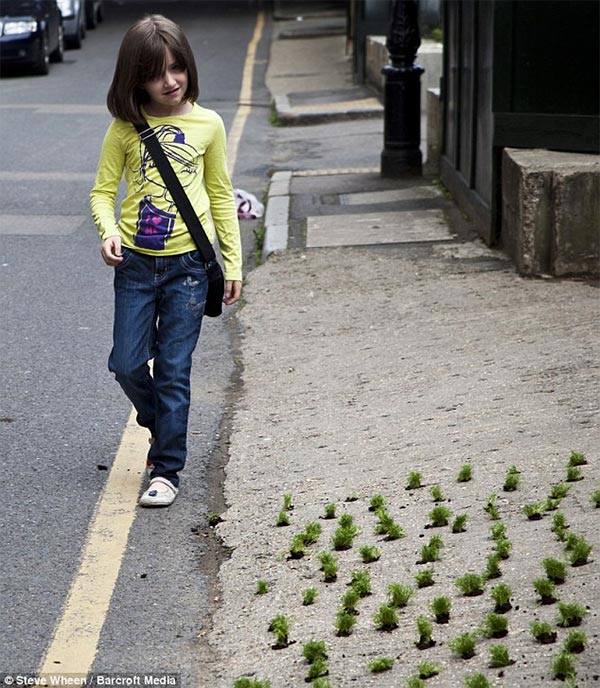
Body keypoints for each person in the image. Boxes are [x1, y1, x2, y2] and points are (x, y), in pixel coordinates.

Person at [90, 14, 242, 507]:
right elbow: (102, 192)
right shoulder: (125, 128)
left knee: (174, 369)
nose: (169, 81)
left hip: (189, 270)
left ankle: (166, 468)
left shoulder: (208, 124)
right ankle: (161, 419)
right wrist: (109, 231)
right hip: (134, 266)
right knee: (127, 363)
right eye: (156, 74)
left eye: (176, 68)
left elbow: (221, 196)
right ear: (136, 79)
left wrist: (233, 265)